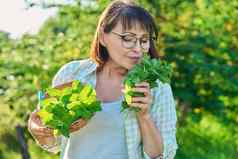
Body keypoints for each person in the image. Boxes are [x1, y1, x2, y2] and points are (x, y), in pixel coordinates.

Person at [28, 0, 178, 159]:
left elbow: (163, 156)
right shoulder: (72, 73)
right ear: (103, 36)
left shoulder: (157, 88)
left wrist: (144, 116)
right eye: (128, 38)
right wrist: (37, 127)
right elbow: (54, 142)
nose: (137, 48)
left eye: (144, 40)